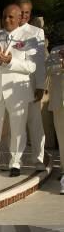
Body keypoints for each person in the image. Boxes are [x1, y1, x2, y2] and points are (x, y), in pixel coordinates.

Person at [0, 4, 38, 177]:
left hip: (16, 91)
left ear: (20, 17)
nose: (7, 20)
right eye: (4, 16)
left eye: (11, 17)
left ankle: (15, 163)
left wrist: (11, 62)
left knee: (18, 128)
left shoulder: (29, 38)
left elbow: (31, 66)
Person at [16, 0, 48, 171]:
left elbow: (40, 61)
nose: (23, 16)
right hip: (13, 87)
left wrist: (41, 85)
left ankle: (38, 160)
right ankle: (16, 162)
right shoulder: (6, 30)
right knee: (17, 126)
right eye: (21, 12)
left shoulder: (36, 32)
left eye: (27, 12)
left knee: (35, 124)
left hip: (31, 85)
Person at [46, 45, 63, 193]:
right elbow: (48, 69)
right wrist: (61, 64)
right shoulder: (55, 51)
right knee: (62, 138)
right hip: (59, 102)